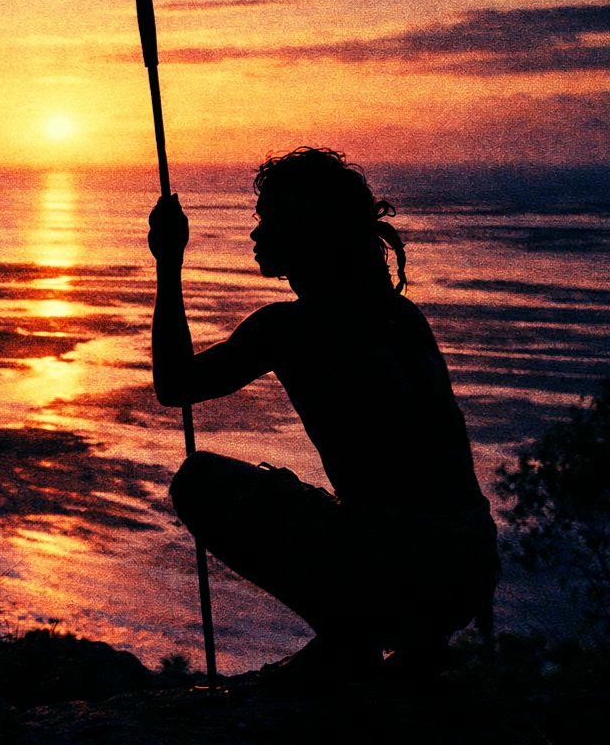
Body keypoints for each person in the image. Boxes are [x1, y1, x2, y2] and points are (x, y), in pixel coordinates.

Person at [148, 147, 499, 683]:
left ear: (306, 230)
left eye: (269, 221)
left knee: (200, 482)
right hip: (469, 568)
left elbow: (175, 386)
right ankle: (406, 643)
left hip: (399, 568)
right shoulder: (402, 317)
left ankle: (348, 640)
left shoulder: (292, 328)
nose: (256, 235)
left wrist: (169, 263)